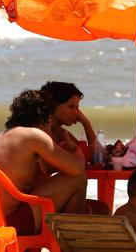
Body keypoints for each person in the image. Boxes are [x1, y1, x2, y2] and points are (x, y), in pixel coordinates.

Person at [0, 89, 87, 235]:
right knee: (79, 179)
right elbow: (77, 169)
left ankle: (56, 251)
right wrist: (75, 150)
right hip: (11, 222)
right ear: (49, 118)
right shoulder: (34, 136)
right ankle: (66, 250)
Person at [39, 81, 109, 215]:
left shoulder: (60, 132)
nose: (76, 113)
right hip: (35, 199)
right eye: (71, 107)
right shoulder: (42, 133)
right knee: (89, 205)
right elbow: (79, 164)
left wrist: (86, 123)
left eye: (78, 108)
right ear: (52, 106)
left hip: (47, 194)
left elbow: (94, 155)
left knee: (102, 208)